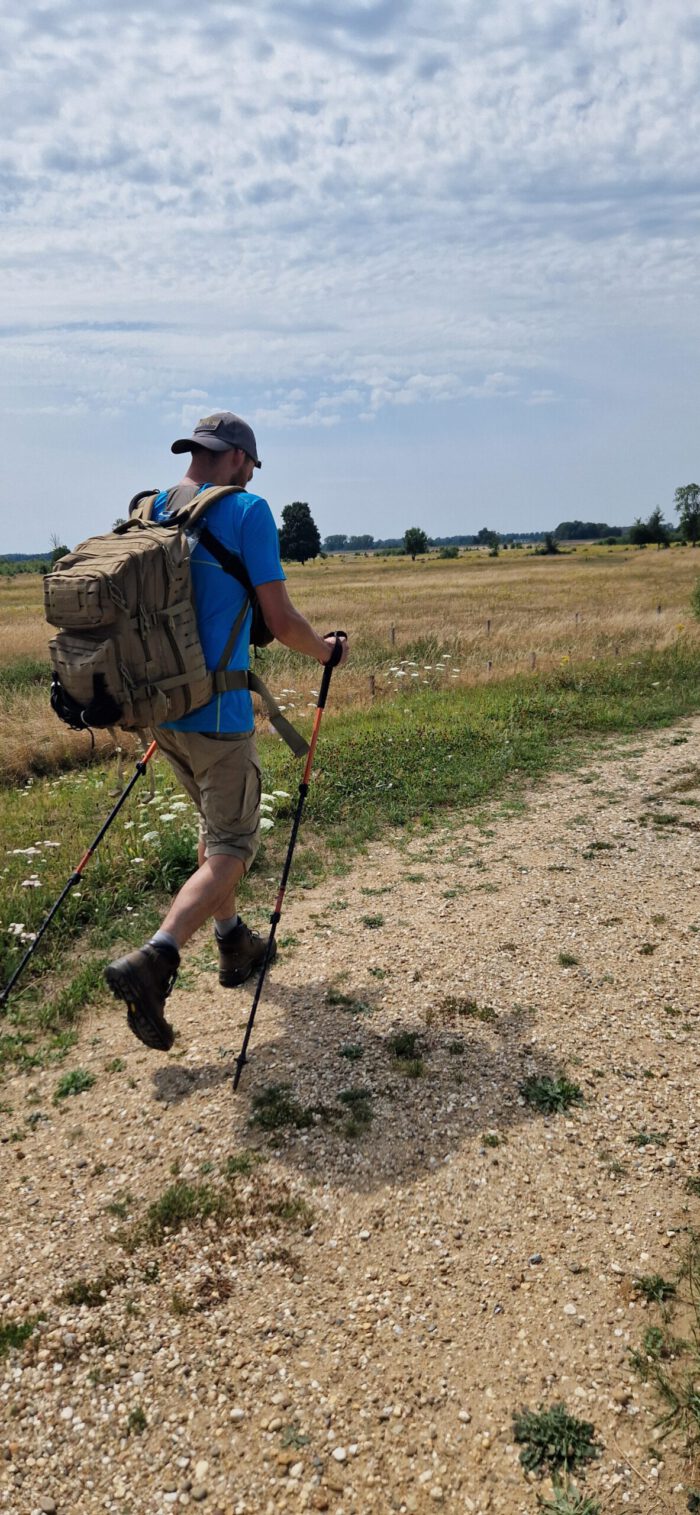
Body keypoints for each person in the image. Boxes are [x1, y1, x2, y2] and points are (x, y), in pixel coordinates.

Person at [105, 410, 348, 1051]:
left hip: (162, 710)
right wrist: (326, 652)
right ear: (239, 458)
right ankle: (155, 958)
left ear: (197, 453)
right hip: (219, 715)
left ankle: (233, 942)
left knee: (215, 838)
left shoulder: (151, 508)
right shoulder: (248, 512)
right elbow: (282, 618)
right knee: (231, 850)